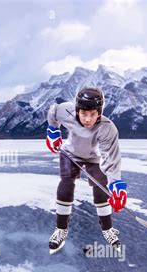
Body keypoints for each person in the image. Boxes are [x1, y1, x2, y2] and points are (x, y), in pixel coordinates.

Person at [45, 86, 127, 254]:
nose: (88, 119)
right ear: (77, 110)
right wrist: (53, 130)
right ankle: (61, 229)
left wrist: (116, 185)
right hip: (70, 154)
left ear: (99, 112)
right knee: (66, 185)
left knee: (101, 188)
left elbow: (111, 159)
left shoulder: (107, 128)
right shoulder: (66, 111)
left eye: (93, 114)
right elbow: (53, 111)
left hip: (94, 158)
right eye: (83, 113)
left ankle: (107, 228)